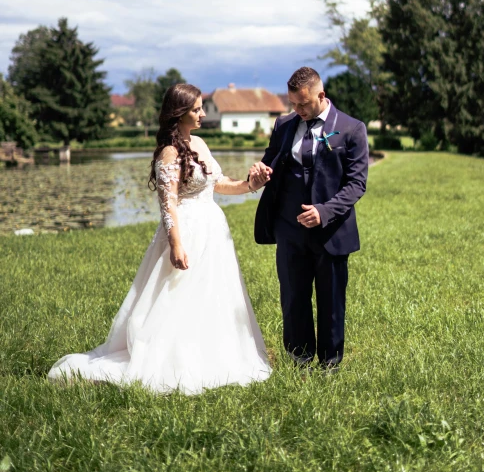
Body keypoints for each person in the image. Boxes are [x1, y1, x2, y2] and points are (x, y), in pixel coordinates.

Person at [48, 83, 272, 395]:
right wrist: (176, 245)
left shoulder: (200, 143)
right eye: (196, 109)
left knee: (213, 294)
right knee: (179, 297)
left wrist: (251, 184)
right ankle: (172, 359)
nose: (202, 113)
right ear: (179, 113)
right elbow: (168, 205)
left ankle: (212, 354)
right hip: (187, 233)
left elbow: (218, 184)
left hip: (214, 234)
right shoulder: (169, 153)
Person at [251, 66, 368, 370]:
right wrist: (260, 172)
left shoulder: (352, 128)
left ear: (321, 95)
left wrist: (324, 211)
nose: (298, 110)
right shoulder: (284, 125)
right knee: (293, 297)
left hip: (331, 231)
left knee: (330, 301)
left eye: (304, 104)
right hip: (289, 229)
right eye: (293, 104)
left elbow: (357, 184)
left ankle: (330, 363)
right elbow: (270, 162)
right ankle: (299, 359)